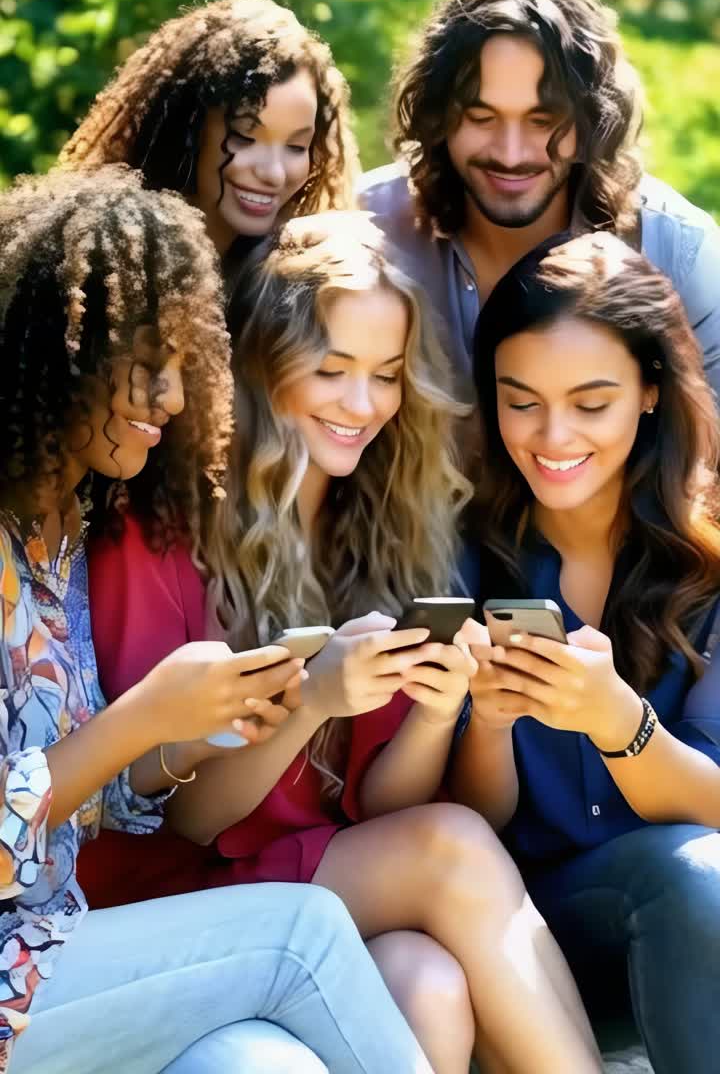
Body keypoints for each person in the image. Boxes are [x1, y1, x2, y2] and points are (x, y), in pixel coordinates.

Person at [85, 213, 603, 1074]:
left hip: (314, 885)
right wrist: (312, 700)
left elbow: (382, 808)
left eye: (386, 376)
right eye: (332, 371)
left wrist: (435, 712)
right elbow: (183, 817)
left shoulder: (380, 527)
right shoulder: (160, 535)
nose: (363, 406)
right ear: (261, 364)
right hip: (164, 898)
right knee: (452, 851)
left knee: (427, 984)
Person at [0, 167, 435, 1074]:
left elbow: (101, 805)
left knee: (261, 1063)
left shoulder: (65, 539)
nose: (170, 398)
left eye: (181, 366)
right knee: (302, 934)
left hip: (67, 950)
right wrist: (142, 720)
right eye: (145, 367)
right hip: (21, 966)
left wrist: (197, 731)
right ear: (58, 354)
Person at [453, 231, 720, 1074]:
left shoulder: (710, 563)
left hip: (696, 921)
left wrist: (618, 725)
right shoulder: (460, 557)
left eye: (591, 402)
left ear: (650, 392)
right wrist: (489, 724)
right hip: (520, 937)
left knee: (695, 873)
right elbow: (463, 826)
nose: (553, 434)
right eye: (521, 401)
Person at [360, 0, 720, 413]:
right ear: (438, 115)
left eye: (543, 121)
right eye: (481, 117)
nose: (511, 154)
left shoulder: (678, 250)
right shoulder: (367, 227)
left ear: (593, 120)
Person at [60, 0, 358, 288]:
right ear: (187, 125)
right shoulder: (92, 267)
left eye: (296, 147)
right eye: (245, 137)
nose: (274, 173)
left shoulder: (302, 282)